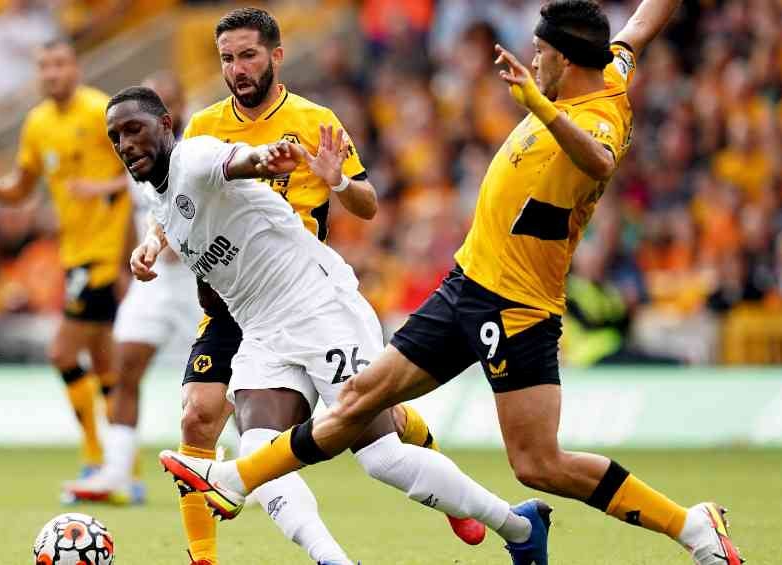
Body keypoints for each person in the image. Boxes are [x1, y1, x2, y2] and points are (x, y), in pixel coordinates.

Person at [159, 2, 745, 565]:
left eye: (540, 53)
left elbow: (596, 161)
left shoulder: (596, 116)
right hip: (465, 282)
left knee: (539, 463)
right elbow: (642, 23)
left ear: (564, 61)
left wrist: (539, 104)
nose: (532, 61)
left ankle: (690, 526)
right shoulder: (608, 67)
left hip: (516, 306)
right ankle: (235, 480)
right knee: (362, 398)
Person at [109, 86, 544, 565]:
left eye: (134, 129)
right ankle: (333, 561)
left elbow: (238, 162)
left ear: (166, 126)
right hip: (262, 330)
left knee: (381, 459)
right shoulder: (163, 199)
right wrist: (150, 246)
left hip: (319, 308)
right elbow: (171, 216)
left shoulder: (195, 156)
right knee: (257, 453)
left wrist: (267, 158)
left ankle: (519, 525)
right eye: (116, 137)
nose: (126, 143)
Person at [136, 9, 479, 565]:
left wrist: (336, 178)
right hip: (228, 297)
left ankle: (451, 495)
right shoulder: (203, 127)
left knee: (373, 423)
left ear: (275, 55)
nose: (237, 69)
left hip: (297, 289)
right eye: (226, 58)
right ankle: (203, 558)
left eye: (247, 55)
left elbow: (367, 206)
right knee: (197, 415)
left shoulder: (314, 118)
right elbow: (175, 202)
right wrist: (154, 241)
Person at [0, 38, 131, 491]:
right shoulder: (37, 123)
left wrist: (103, 194)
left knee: (61, 352)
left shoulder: (103, 112)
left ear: (76, 68)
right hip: (73, 254)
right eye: (44, 66)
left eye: (60, 64)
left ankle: (97, 457)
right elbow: (22, 187)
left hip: (102, 254)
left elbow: (145, 170)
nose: (52, 74)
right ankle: (125, 471)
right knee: (102, 362)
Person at [63, 72, 203, 505]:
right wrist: (129, 263)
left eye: (165, 100)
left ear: (175, 109)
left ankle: (248, 469)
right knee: (125, 367)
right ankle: (118, 472)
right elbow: (135, 209)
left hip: (205, 280)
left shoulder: (198, 150)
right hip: (155, 283)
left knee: (228, 383)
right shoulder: (134, 152)